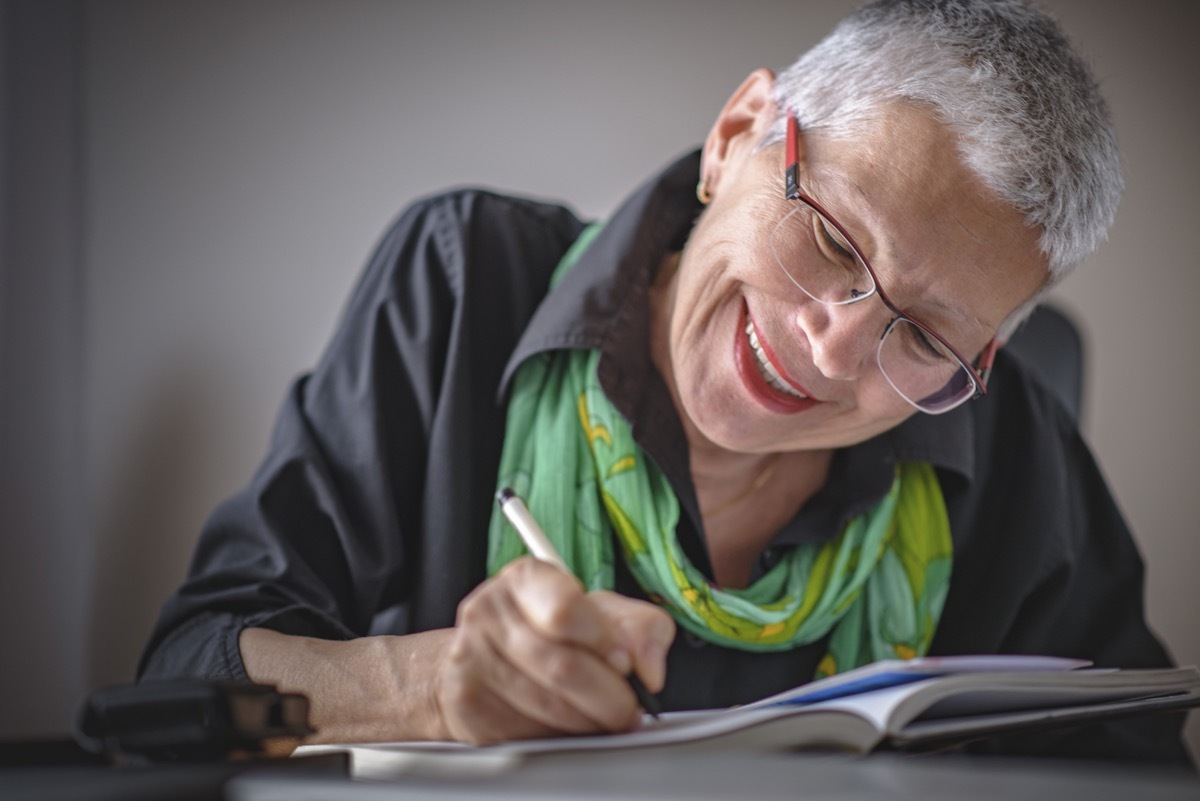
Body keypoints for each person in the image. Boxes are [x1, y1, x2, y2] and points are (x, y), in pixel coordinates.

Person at [139, 0, 1190, 763]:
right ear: (736, 136)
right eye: (831, 241)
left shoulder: (1013, 441)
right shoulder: (464, 286)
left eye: (922, 333)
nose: (834, 352)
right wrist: (422, 686)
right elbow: (179, 682)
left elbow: (1136, 756)